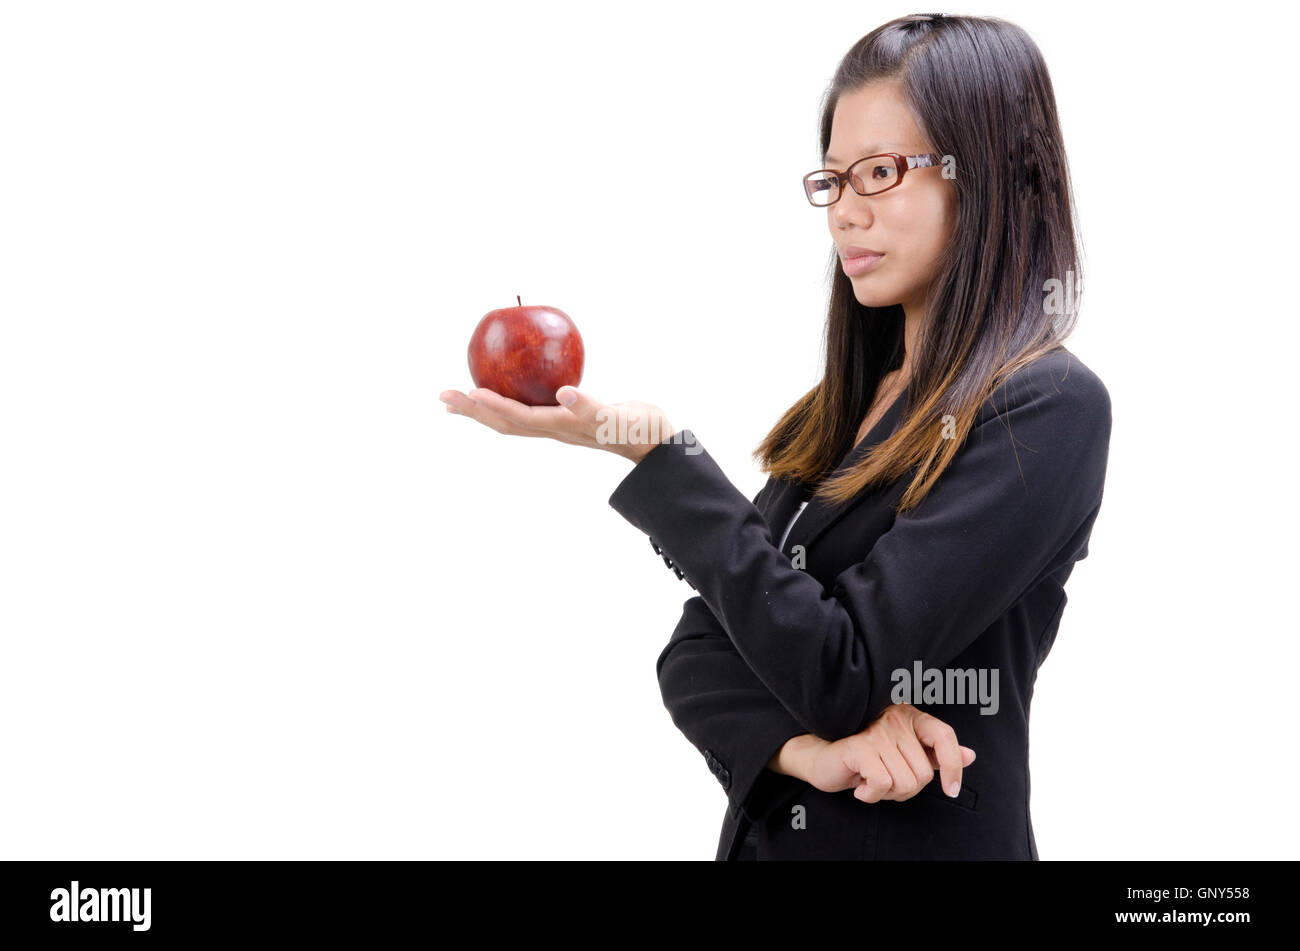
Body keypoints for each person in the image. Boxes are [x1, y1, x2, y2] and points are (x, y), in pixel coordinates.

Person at [440, 12, 1111, 860]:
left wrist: (659, 458)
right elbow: (695, 654)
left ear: (983, 177)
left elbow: (841, 668)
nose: (846, 214)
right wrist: (816, 751)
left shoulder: (1048, 406)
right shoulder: (844, 406)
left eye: (880, 172)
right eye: (834, 180)